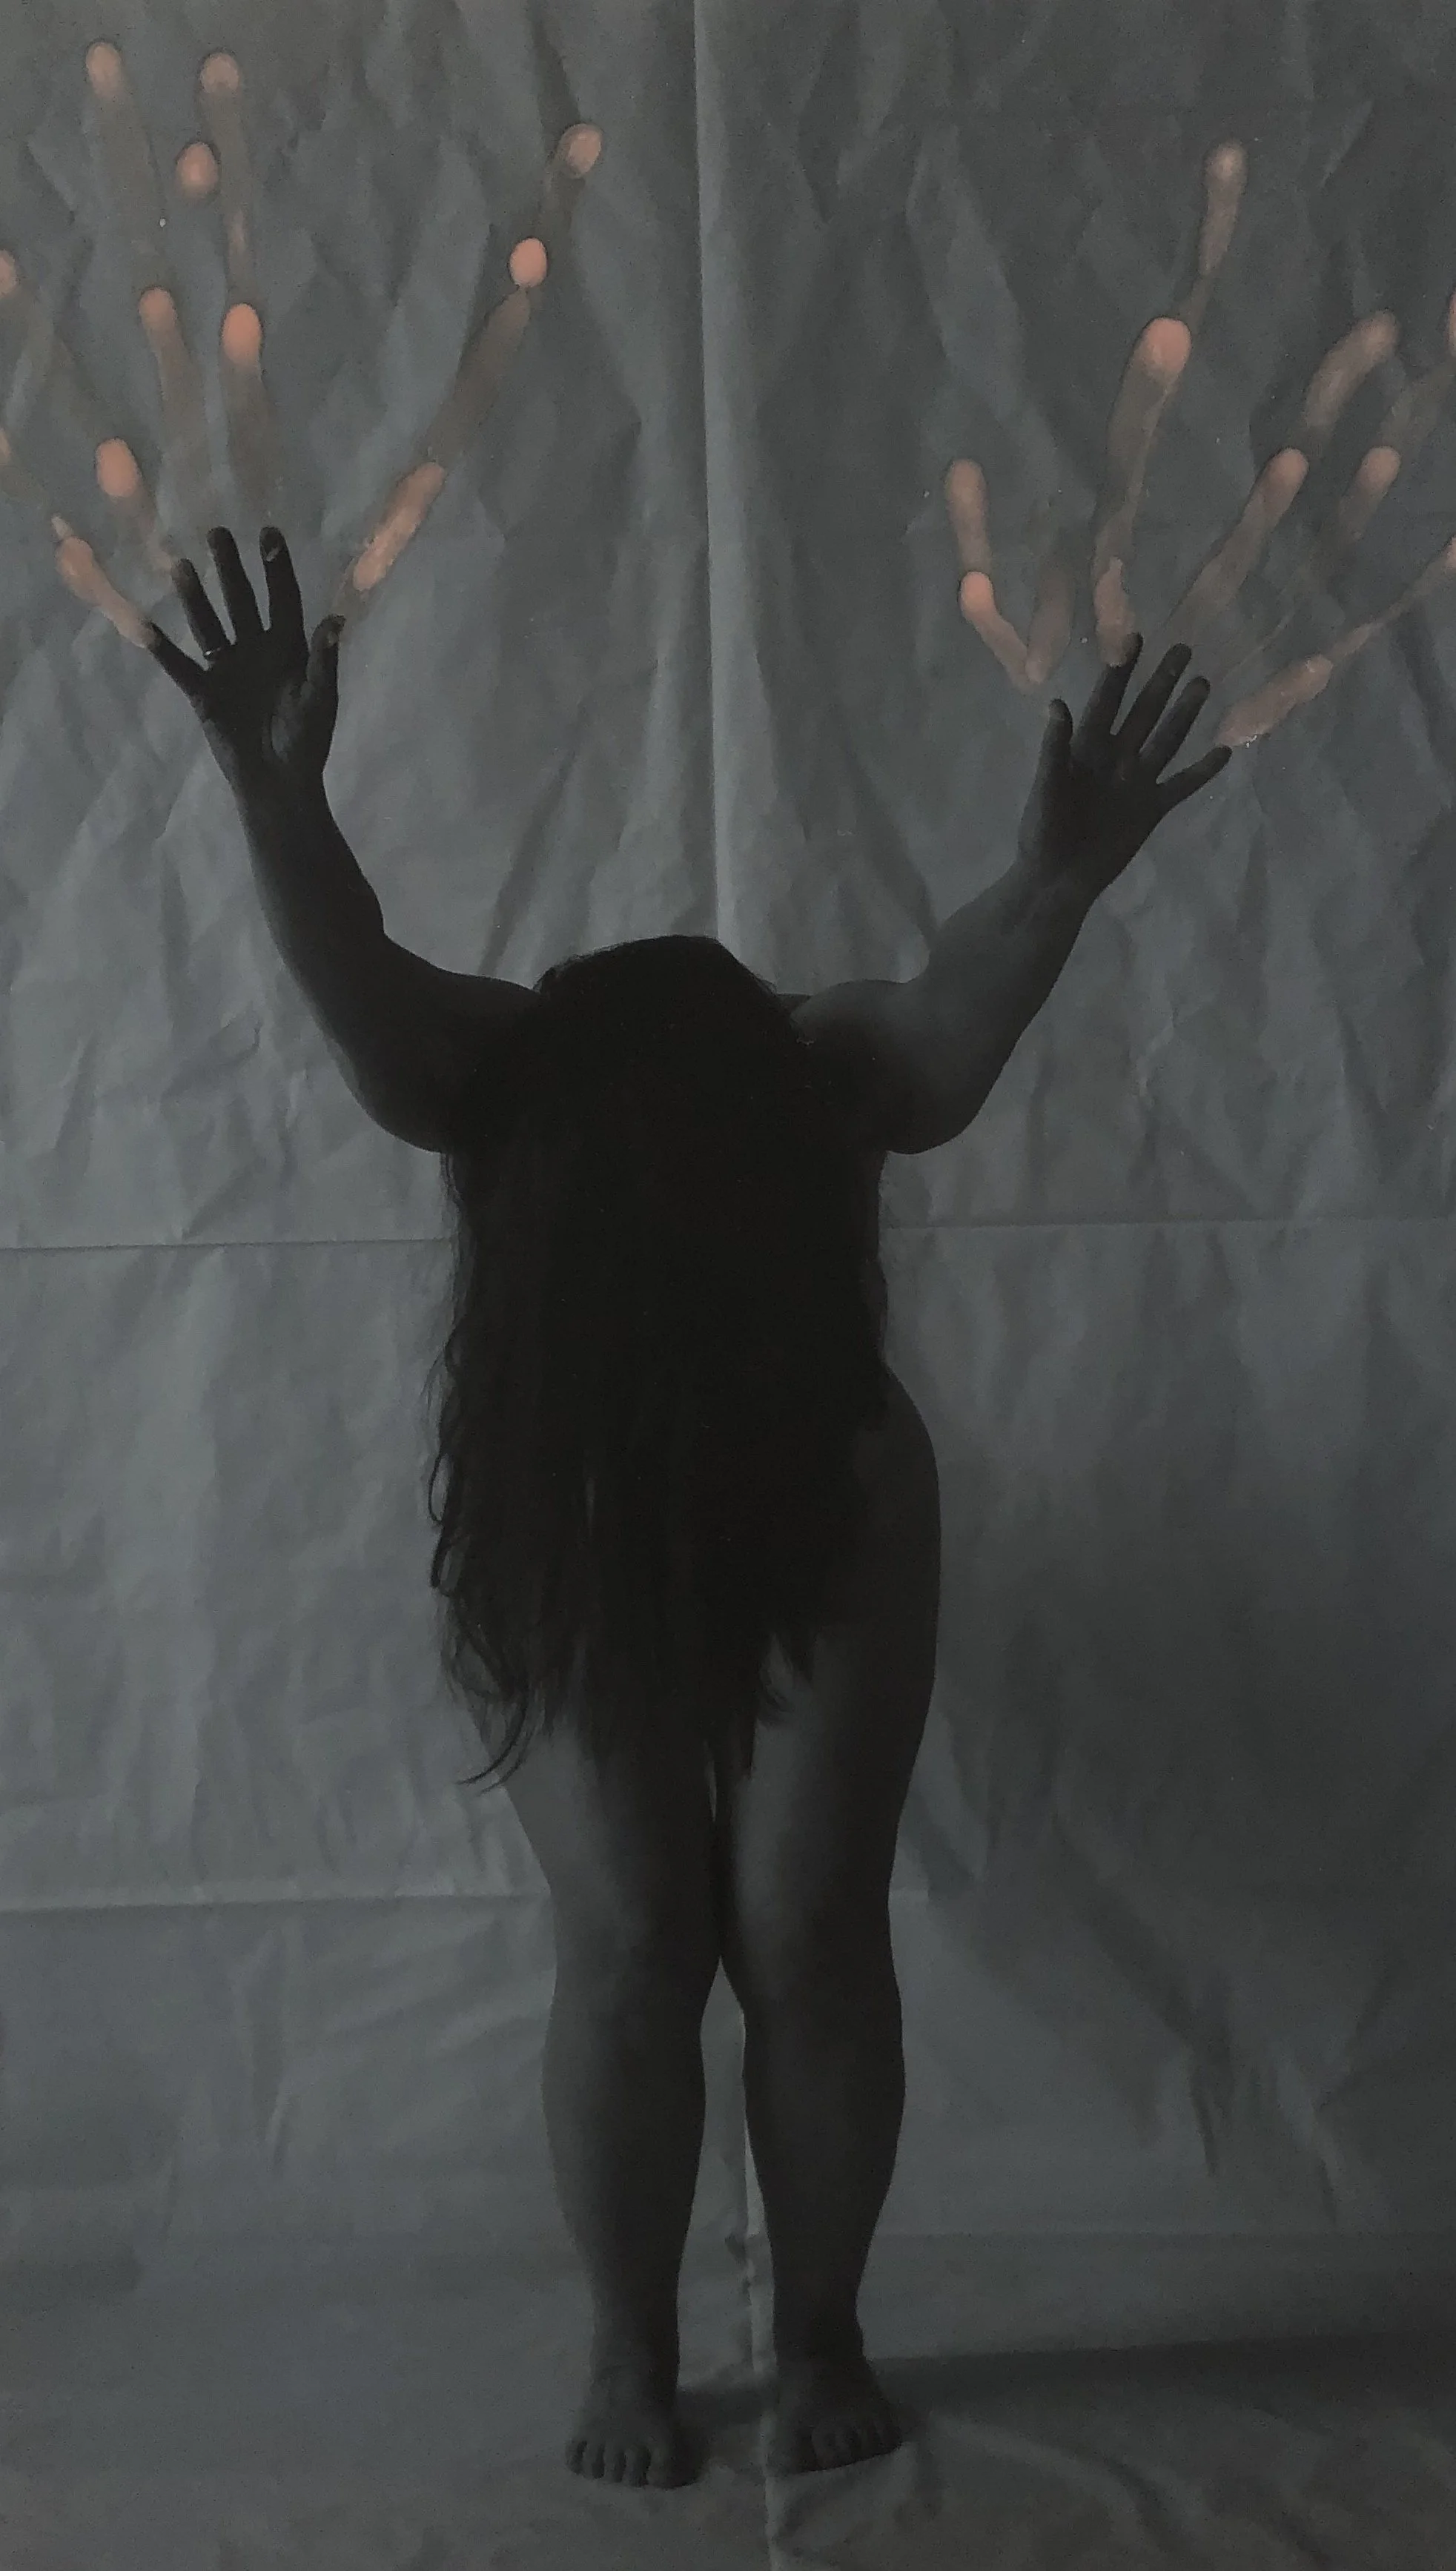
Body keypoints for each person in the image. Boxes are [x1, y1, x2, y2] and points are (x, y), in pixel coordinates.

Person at [145, 525, 1231, 2487]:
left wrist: (1059, 880)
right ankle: (627, 2348)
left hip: (824, 1487)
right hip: (577, 1497)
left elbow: (950, 1012)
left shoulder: (827, 1065)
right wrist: (275, 799)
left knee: (806, 1924)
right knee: (639, 1931)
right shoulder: (498, 1067)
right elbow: (363, 983)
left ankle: (818, 2330)